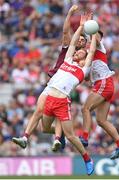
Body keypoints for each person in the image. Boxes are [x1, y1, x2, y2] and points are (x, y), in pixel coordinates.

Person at [12, 5, 87, 152]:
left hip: (64, 89)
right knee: (43, 123)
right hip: (52, 83)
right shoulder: (68, 49)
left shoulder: (83, 62)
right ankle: (36, 137)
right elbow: (66, 31)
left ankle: (58, 139)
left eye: (84, 41)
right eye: (80, 39)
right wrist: (70, 14)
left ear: (85, 45)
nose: (80, 41)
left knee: (58, 117)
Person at [42, 14, 96, 175]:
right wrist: (80, 26)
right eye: (78, 52)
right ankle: (61, 136)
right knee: (44, 128)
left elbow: (91, 50)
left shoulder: (83, 69)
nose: (78, 52)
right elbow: (72, 42)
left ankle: (87, 158)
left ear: (85, 59)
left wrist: (93, 34)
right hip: (50, 97)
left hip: (62, 101)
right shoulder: (67, 60)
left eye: (82, 53)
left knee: (73, 136)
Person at [79, 30, 119, 159]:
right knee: (101, 120)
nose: (93, 39)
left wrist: (91, 29)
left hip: (104, 83)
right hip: (103, 84)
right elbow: (87, 79)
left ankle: (84, 137)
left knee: (85, 109)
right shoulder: (89, 57)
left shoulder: (100, 48)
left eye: (96, 36)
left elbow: (95, 39)